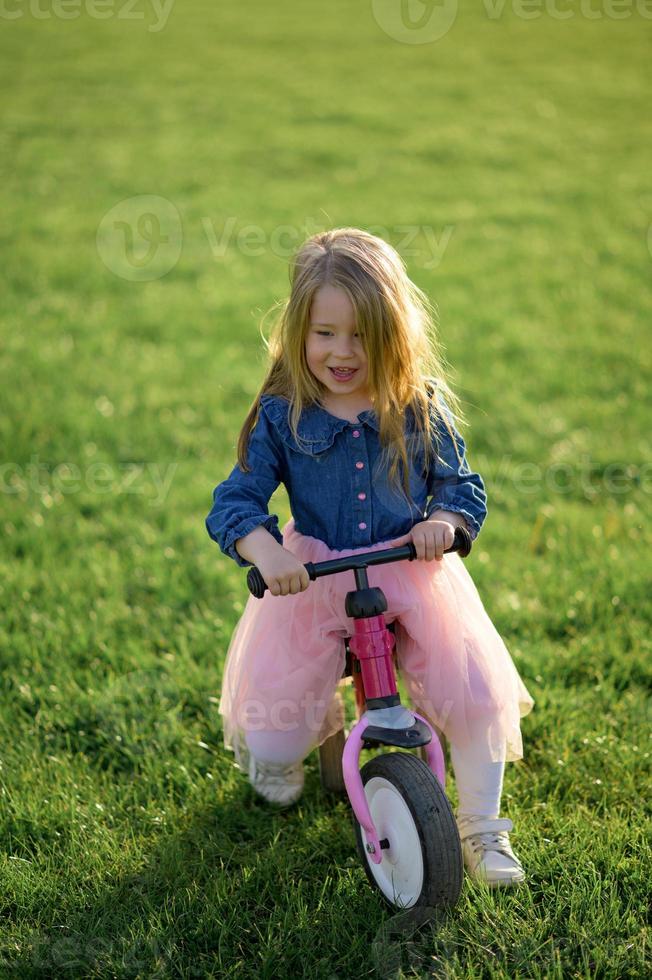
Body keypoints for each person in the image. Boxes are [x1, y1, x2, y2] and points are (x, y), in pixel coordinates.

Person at [205, 228, 534, 887]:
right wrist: (266, 550)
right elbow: (235, 499)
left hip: (412, 570)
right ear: (299, 331)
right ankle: (283, 755)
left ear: (393, 332)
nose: (342, 352)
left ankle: (482, 828)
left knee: (474, 697)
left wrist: (444, 520)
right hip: (313, 577)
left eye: (361, 335)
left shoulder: (417, 403)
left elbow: (460, 485)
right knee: (274, 720)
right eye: (325, 333)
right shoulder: (284, 413)